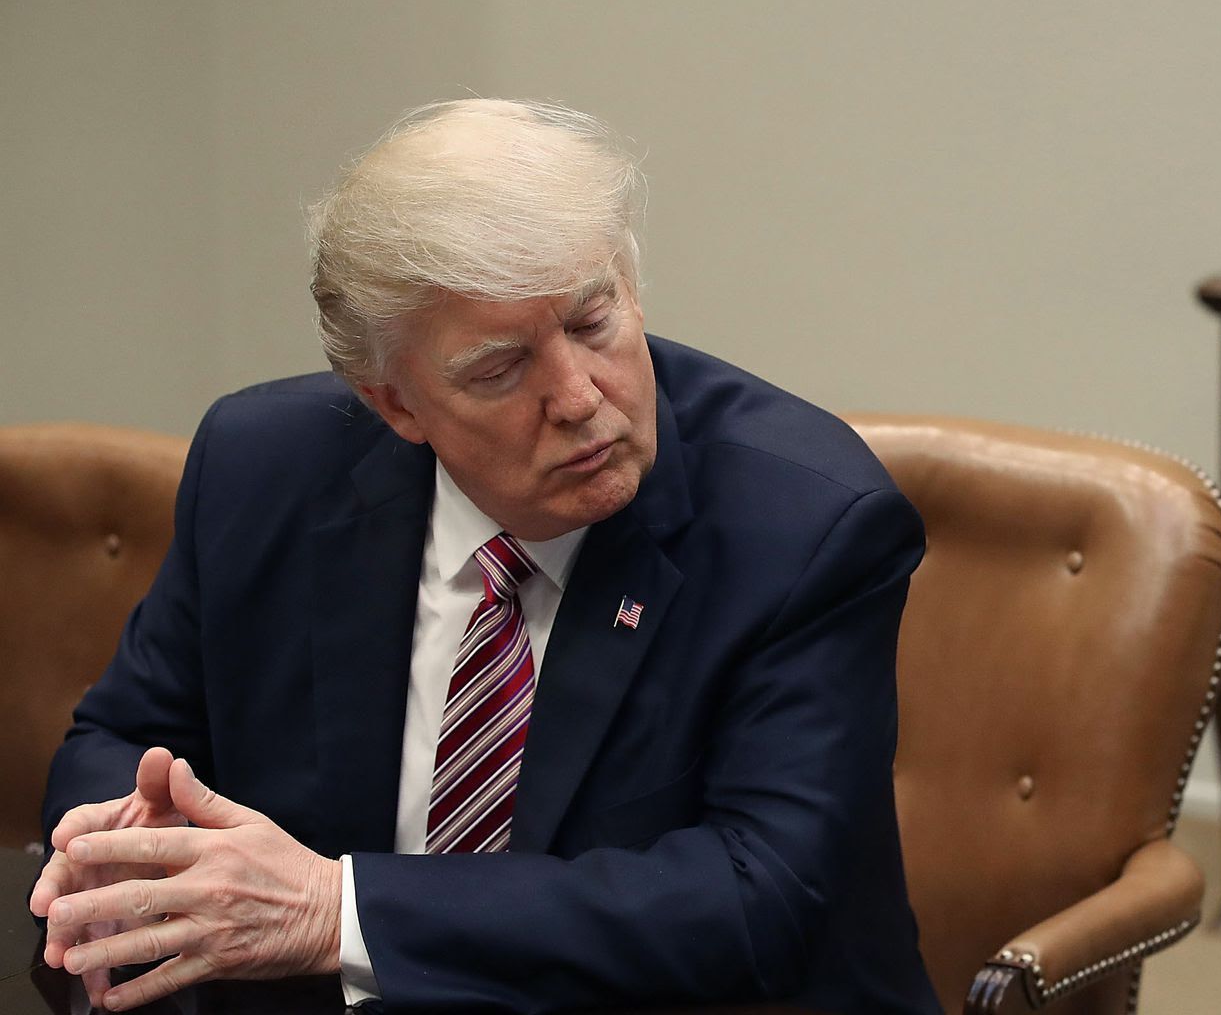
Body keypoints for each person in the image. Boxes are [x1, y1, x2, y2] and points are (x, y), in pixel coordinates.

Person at [28, 99, 942, 1014]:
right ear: (395, 405)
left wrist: (334, 914)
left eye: (594, 323)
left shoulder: (806, 526)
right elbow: (119, 737)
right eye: (501, 370)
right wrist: (128, 850)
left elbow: (756, 901)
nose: (581, 398)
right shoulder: (263, 466)